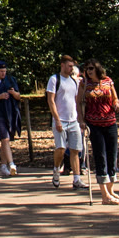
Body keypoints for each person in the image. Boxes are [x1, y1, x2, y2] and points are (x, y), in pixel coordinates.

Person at [83, 61, 119, 204]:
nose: (89, 71)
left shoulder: (108, 81)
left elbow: (115, 98)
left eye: (91, 68)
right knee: (100, 156)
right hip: (94, 124)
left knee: (112, 156)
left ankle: (110, 190)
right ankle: (104, 195)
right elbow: (79, 103)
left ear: (97, 69)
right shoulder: (84, 84)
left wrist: (117, 104)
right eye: (86, 69)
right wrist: (81, 120)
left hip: (110, 122)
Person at [45, 54, 86, 190]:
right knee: (61, 148)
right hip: (61, 120)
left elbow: (76, 102)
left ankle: (77, 178)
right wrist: (57, 119)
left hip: (73, 120)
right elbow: (51, 100)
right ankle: (56, 169)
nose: (71, 69)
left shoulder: (74, 82)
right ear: (62, 65)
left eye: (72, 66)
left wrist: (80, 120)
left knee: (75, 149)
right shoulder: (54, 79)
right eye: (69, 66)